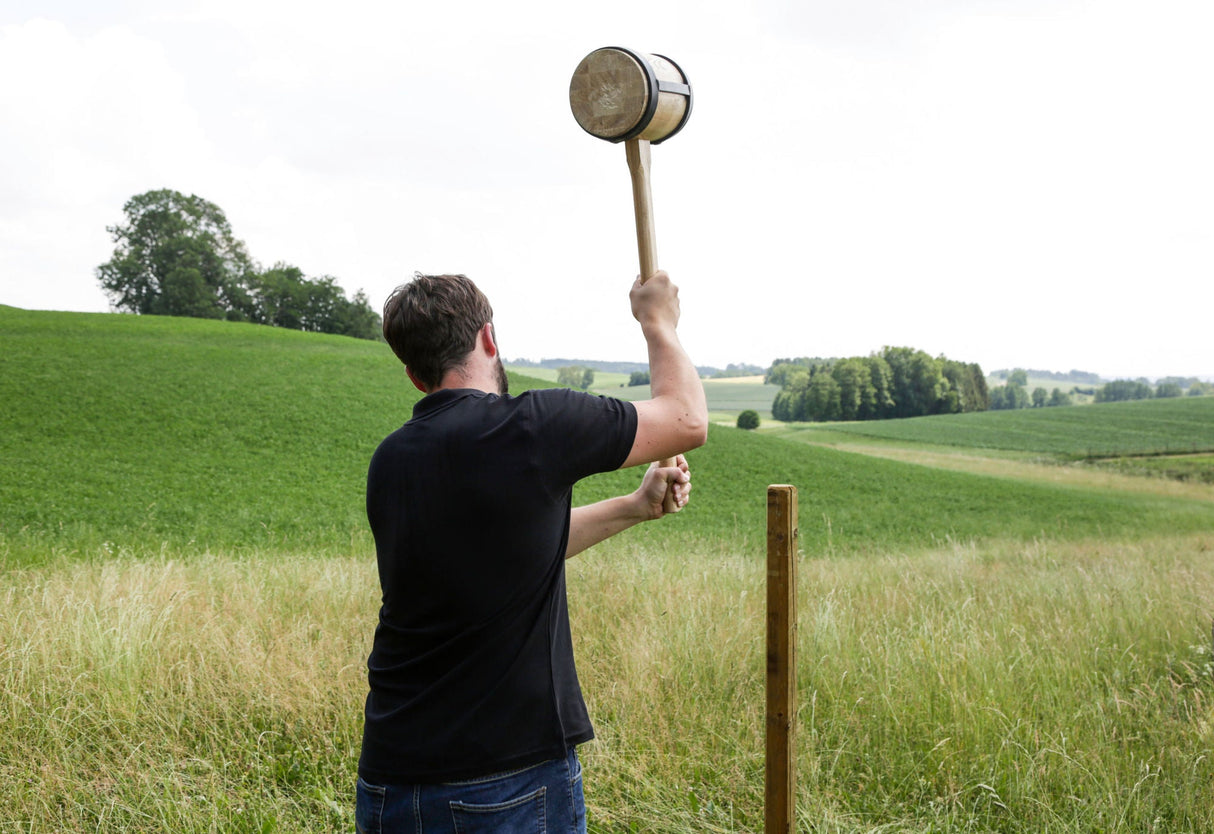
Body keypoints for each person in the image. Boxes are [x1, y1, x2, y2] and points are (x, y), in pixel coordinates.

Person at [356, 270, 707, 834]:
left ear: (414, 375)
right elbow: (687, 419)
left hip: (389, 786)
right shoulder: (532, 427)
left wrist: (634, 506)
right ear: (488, 339)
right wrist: (658, 323)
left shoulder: (391, 460)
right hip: (504, 784)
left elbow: (510, 550)